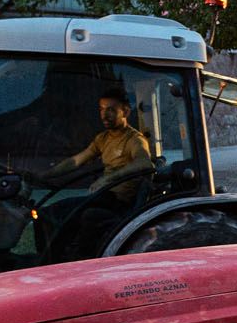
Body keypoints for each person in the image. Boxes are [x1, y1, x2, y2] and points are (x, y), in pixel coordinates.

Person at [43, 88, 156, 257]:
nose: (105, 115)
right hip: (103, 196)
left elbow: (145, 163)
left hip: (118, 202)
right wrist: (44, 176)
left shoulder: (134, 140)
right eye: (102, 109)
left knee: (77, 214)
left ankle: (68, 259)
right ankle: (50, 258)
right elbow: (76, 161)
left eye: (111, 109)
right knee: (47, 213)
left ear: (125, 111)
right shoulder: (103, 139)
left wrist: (108, 179)